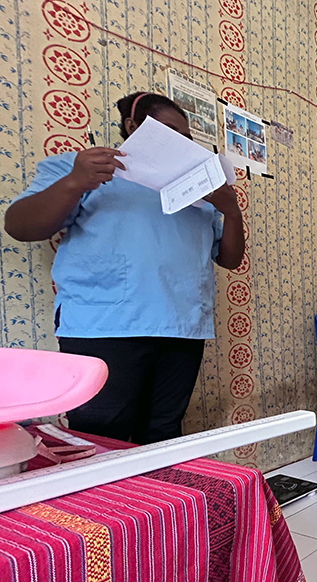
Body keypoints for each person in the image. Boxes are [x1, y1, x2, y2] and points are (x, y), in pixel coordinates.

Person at [4, 91, 245, 444]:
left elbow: (230, 259)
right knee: (101, 436)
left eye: (186, 137)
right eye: (169, 131)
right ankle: (109, 503)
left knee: (163, 433)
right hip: (104, 328)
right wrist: (74, 182)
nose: (180, 142)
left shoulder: (196, 191)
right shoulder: (84, 170)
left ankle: (157, 501)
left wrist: (231, 209)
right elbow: (19, 226)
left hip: (181, 329)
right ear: (133, 126)